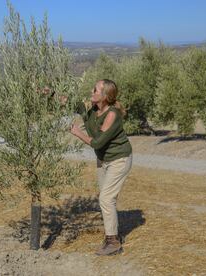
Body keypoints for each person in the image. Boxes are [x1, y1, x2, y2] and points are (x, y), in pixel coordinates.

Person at [70, 79, 133, 256]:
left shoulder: (112, 115)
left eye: (95, 90)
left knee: (106, 199)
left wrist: (77, 132)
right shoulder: (93, 111)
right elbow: (75, 104)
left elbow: (97, 143)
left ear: (105, 96)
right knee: (106, 198)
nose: (92, 91)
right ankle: (112, 235)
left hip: (119, 159)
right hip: (103, 160)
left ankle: (113, 242)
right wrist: (50, 93)